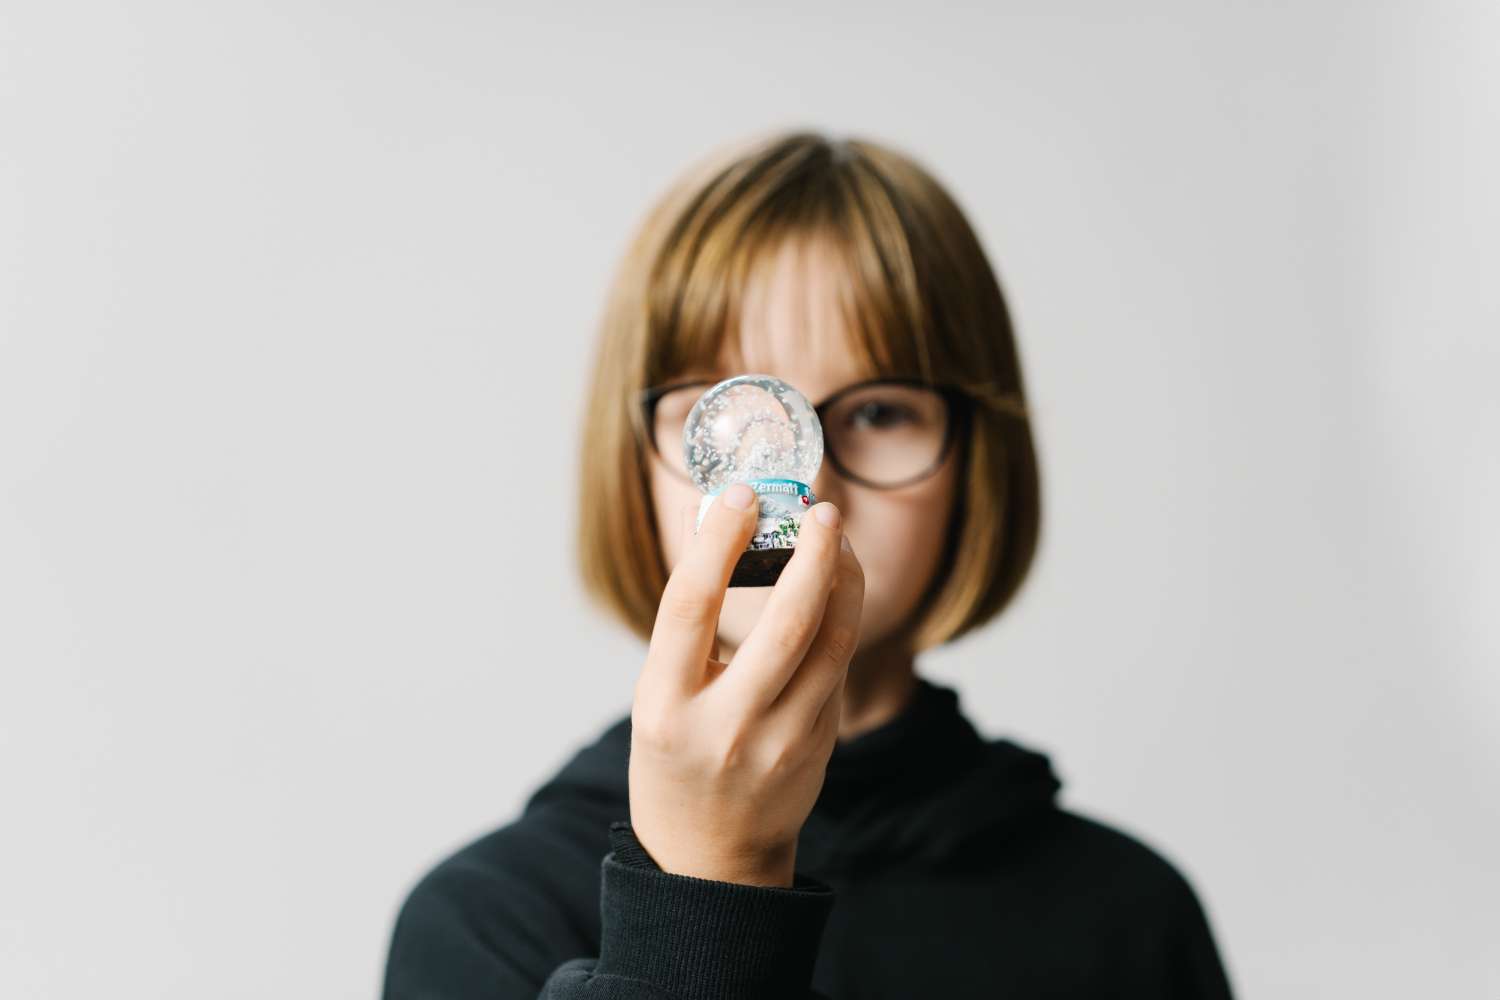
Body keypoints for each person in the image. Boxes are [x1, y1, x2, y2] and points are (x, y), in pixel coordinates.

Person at [382, 130, 1235, 999]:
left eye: (877, 413)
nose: (800, 485)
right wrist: (706, 894)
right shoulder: (488, 922)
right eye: (728, 421)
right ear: (630, 462)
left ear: (980, 463)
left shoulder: (1130, 920)